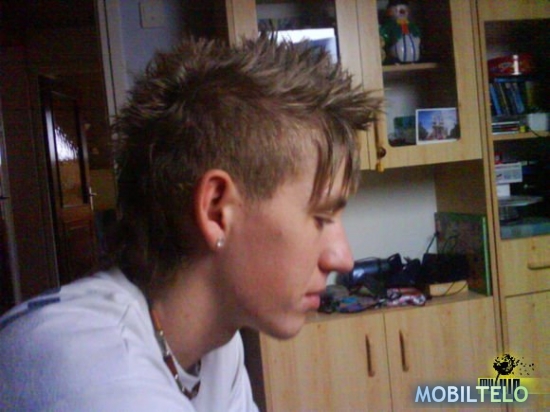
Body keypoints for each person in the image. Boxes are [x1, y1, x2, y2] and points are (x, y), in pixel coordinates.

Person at [0, 35, 380, 411]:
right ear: (216, 211)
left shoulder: (216, 344)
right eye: (321, 217)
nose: (343, 258)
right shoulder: (95, 370)